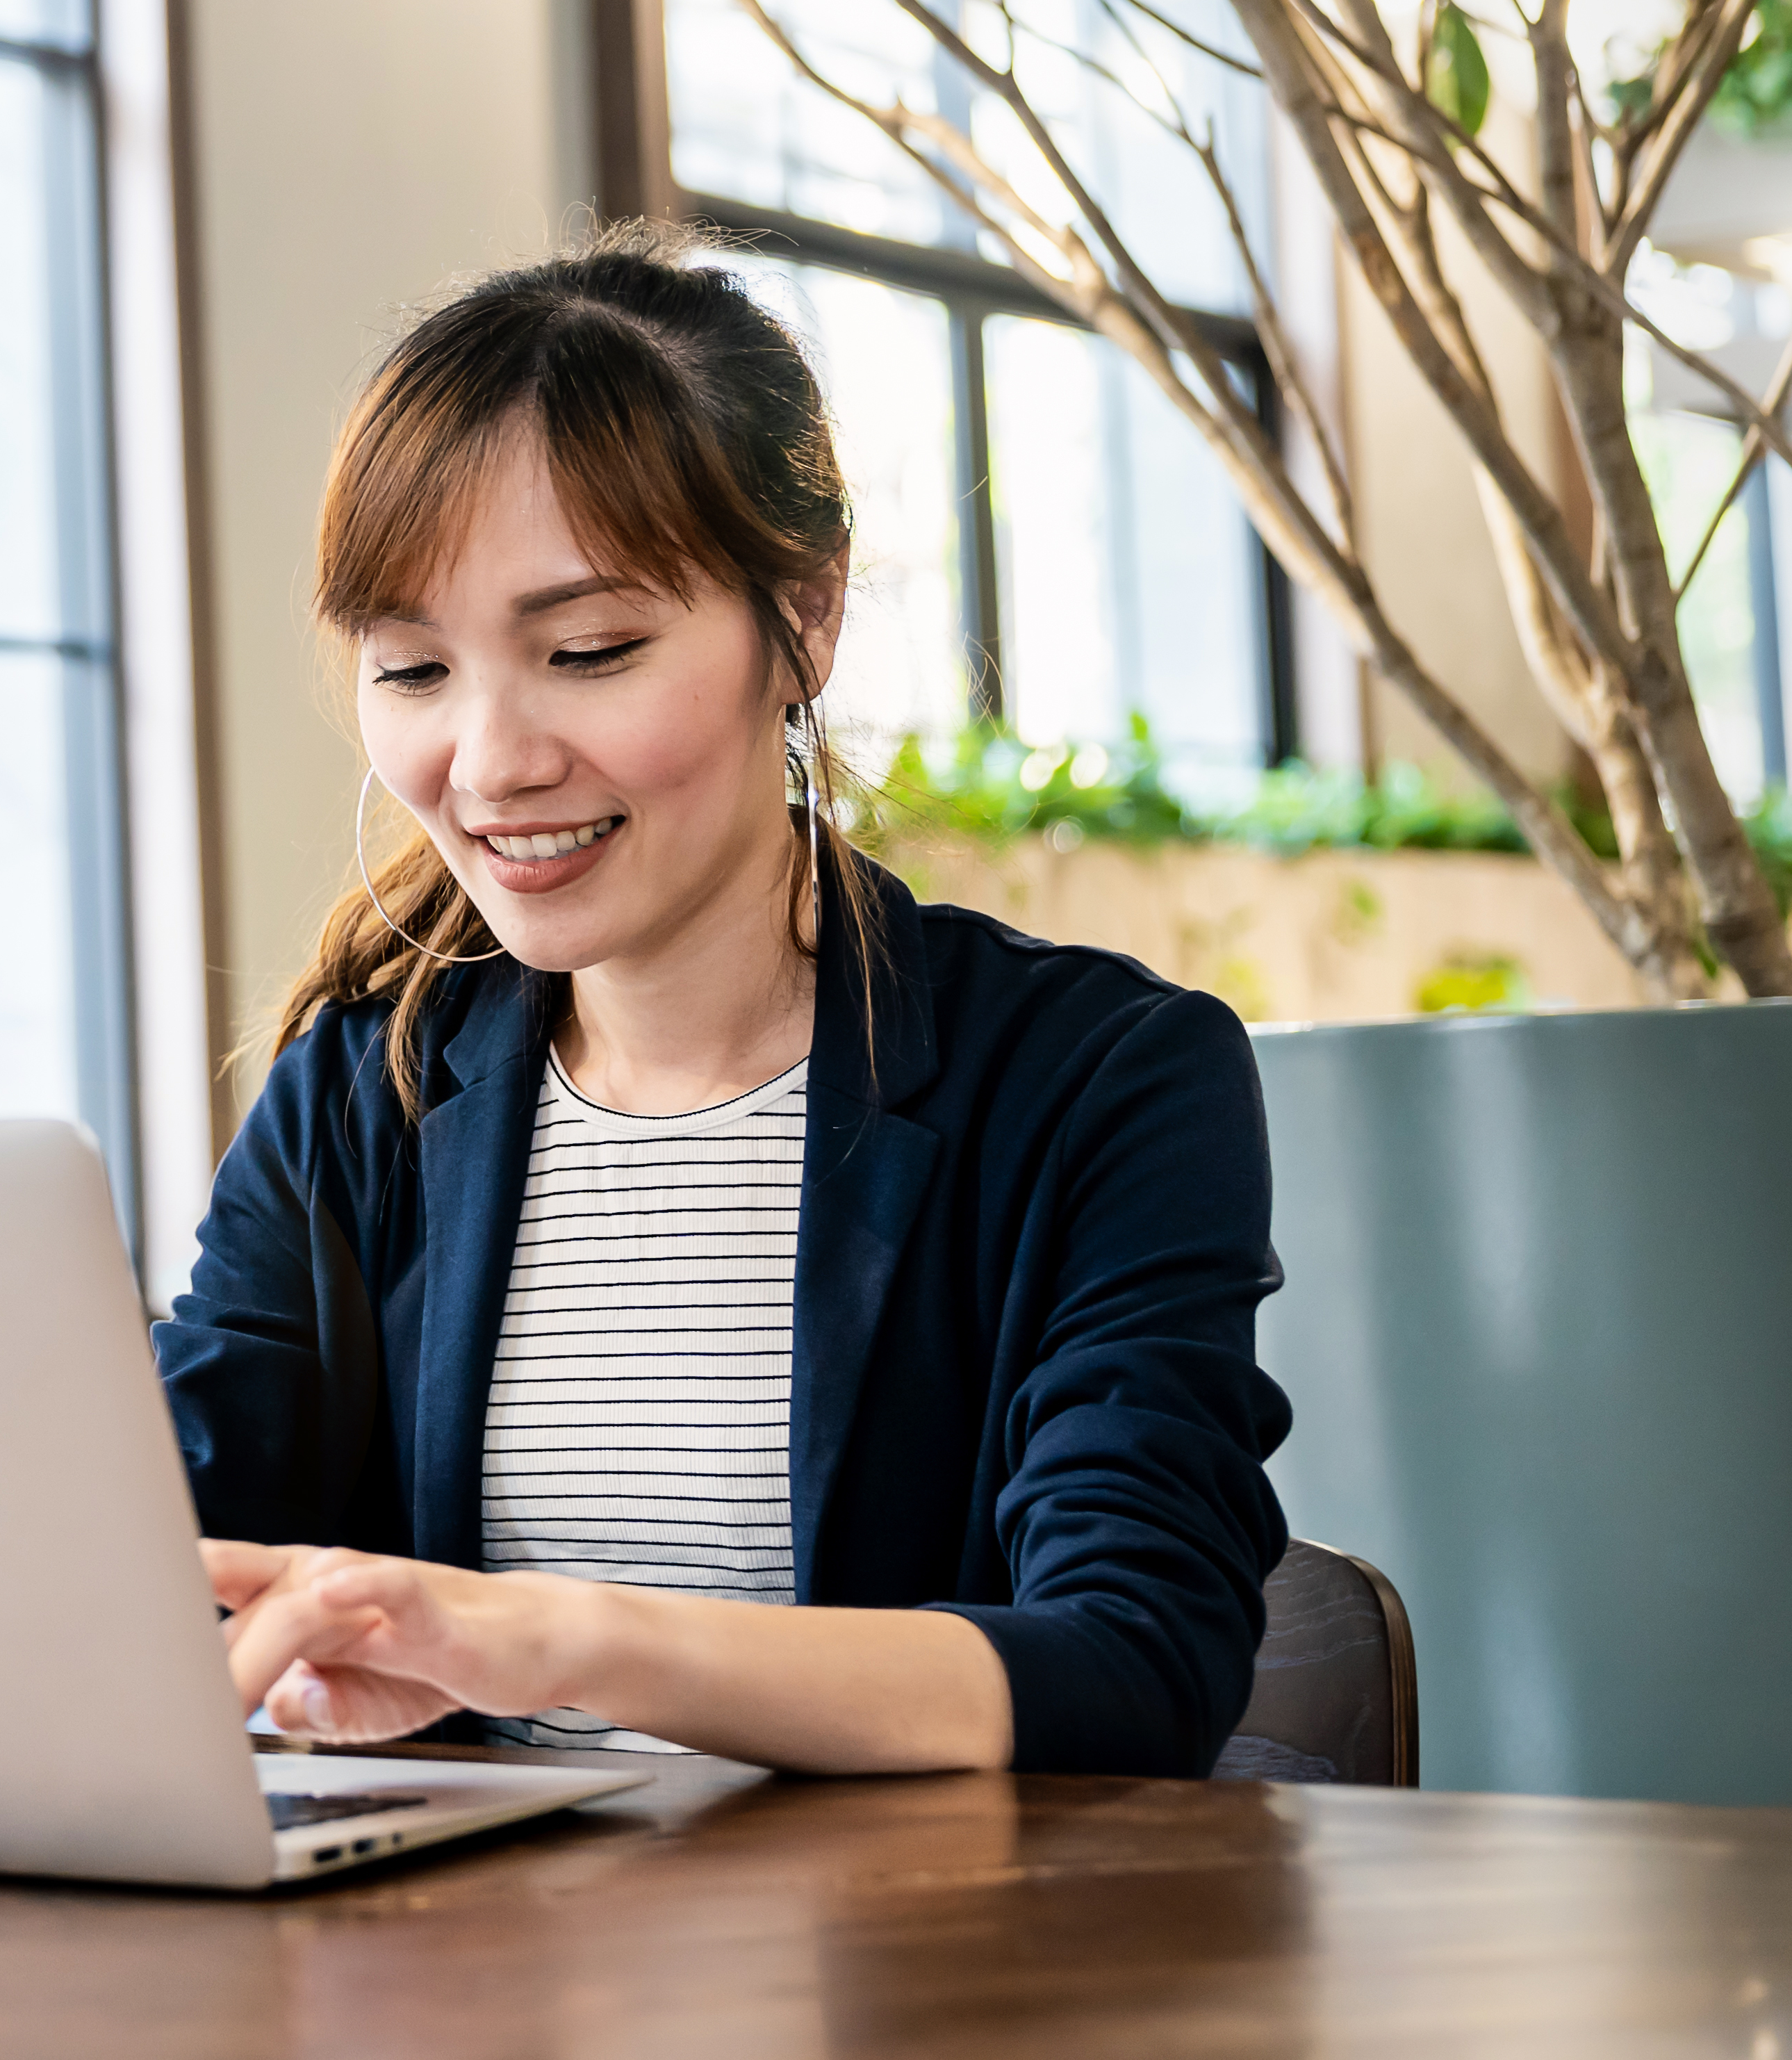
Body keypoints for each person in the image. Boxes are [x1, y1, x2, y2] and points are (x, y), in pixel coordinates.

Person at [161, 227, 1290, 1779]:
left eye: (588, 649)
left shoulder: (1098, 1080)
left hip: (919, 1988)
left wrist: (551, 1635)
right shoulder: (368, 1093)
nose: (490, 763)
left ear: (805, 619)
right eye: (412, 670)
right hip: (477, 1989)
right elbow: (154, 1542)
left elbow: (1133, 1655)